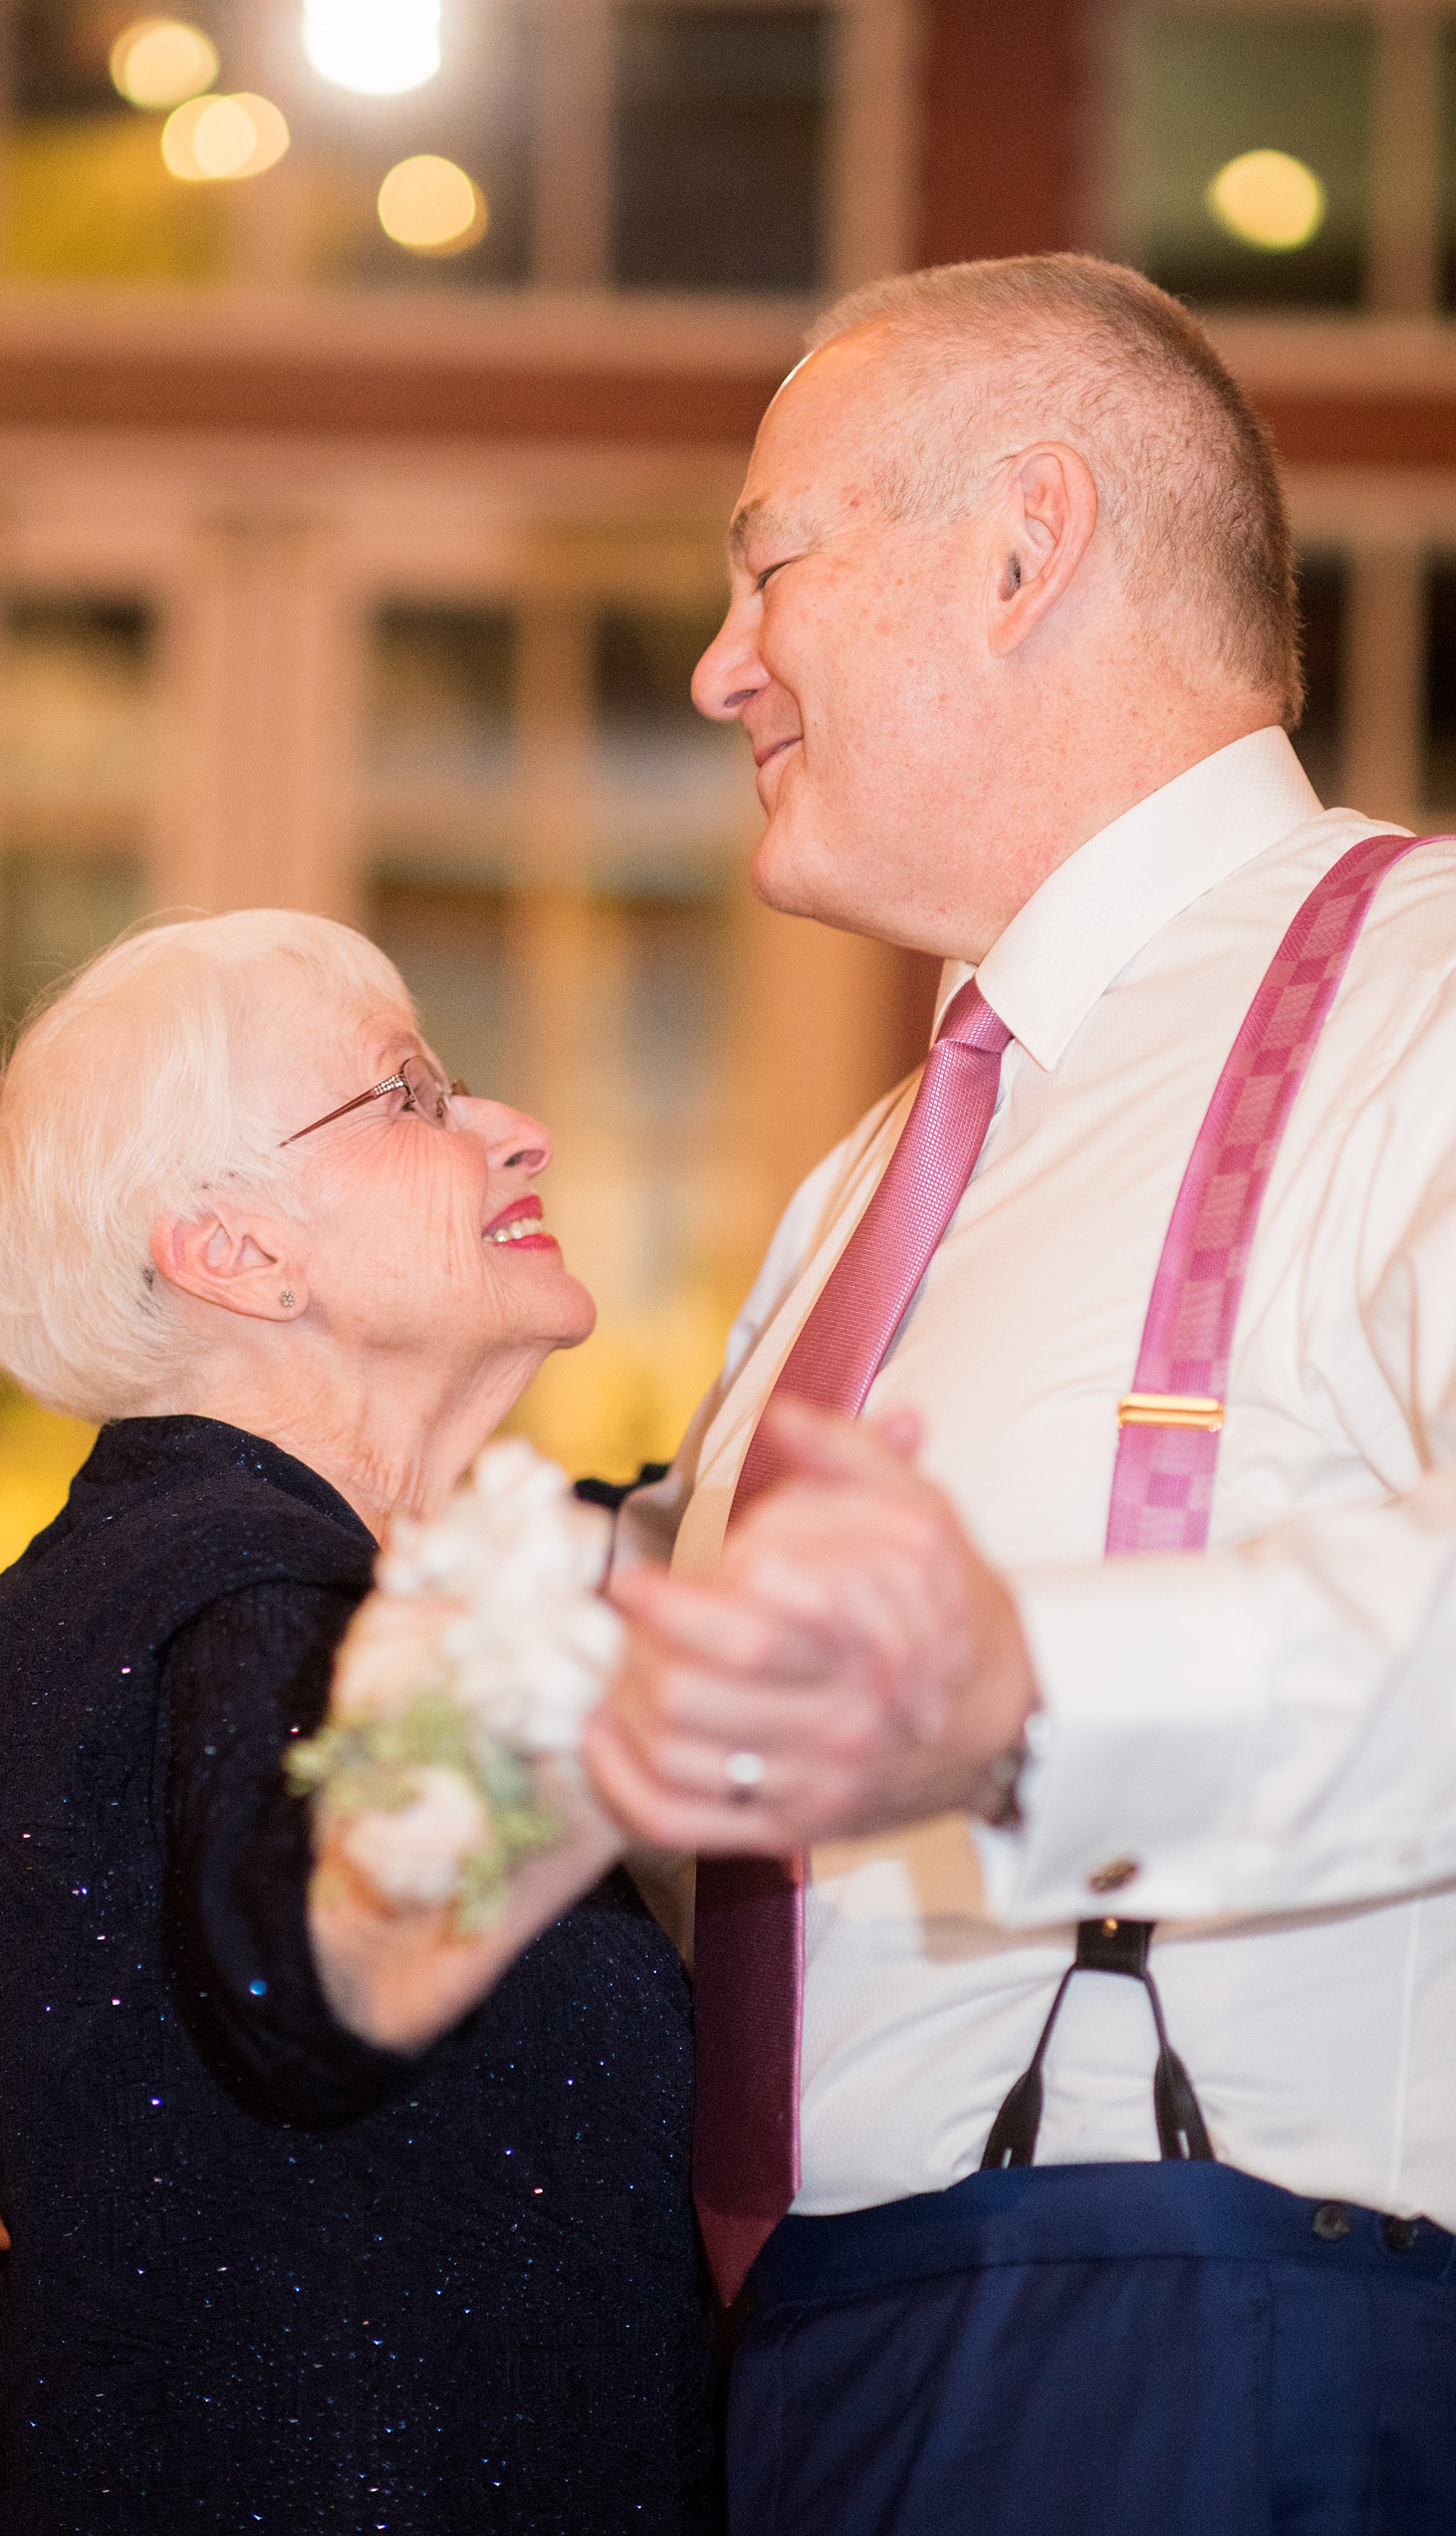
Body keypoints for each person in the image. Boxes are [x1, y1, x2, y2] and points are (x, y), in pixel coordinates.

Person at [581, 255, 1456, 2534]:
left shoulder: (1426, 1000)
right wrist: (140, 2019)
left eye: (766, 563)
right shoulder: (868, 1181)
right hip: (787, 2377)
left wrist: (1026, 1691)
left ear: (1020, 543)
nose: (717, 663)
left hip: (1215, 2370)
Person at [0, 908, 713, 2533]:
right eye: (411, 1092)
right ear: (233, 1248)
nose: (511, 1125)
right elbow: (302, 1975)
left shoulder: (166, 1570)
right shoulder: (234, 1575)